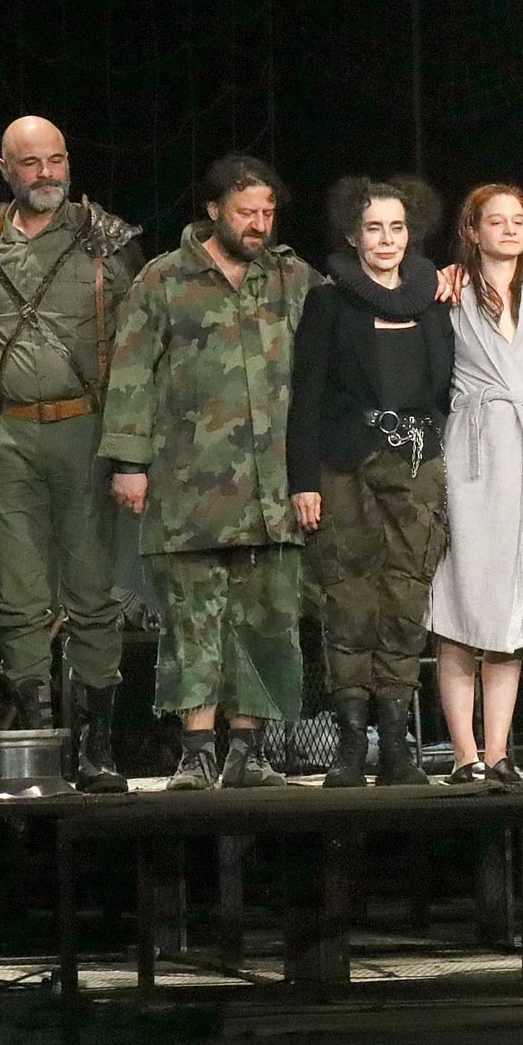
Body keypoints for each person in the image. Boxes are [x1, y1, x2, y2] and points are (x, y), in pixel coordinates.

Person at [100, 155, 317, 791]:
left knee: (266, 620)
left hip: (271, 487)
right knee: (192, 621)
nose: (259, 224)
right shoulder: (164, 278)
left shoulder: (289, 276)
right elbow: (132, 371)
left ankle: (247, 753)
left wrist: (431, 278)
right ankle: (195, 752)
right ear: (215, 210)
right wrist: (129, 463)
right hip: (188, 484)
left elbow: (359, 305)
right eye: (247, 212)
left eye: (268, 213)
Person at [0, 115, 143, 792]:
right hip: (7, 434)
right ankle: (35, 742)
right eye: (31, 163)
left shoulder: (107, 239)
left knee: (93, 591)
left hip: (85, 430)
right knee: (17, 592)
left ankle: (97, 748)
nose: (47, 174)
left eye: (56, 159)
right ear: (5, 169)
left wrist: (132, 449)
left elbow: (139, 349)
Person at [289, 177, 454, 787]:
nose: (387, 239)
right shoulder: (329, 303)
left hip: (414, 463)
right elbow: (306, 396)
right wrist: (303, 480)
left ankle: (397, 743)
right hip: (344, 462)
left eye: (397, 227)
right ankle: (351, 743)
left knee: (406, 597)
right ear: (353, 237)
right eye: (374, 228)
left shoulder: (432, 300)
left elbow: (443, 390)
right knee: (349, 598)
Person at [427, 185, 523, 784]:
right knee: (463, 597)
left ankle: (497, 752)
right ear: (472, 231)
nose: (510, 229)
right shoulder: (452, 292)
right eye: (496, 221)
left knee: (513, 608)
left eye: (518, 220)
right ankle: (463, 753)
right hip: (474, 447)